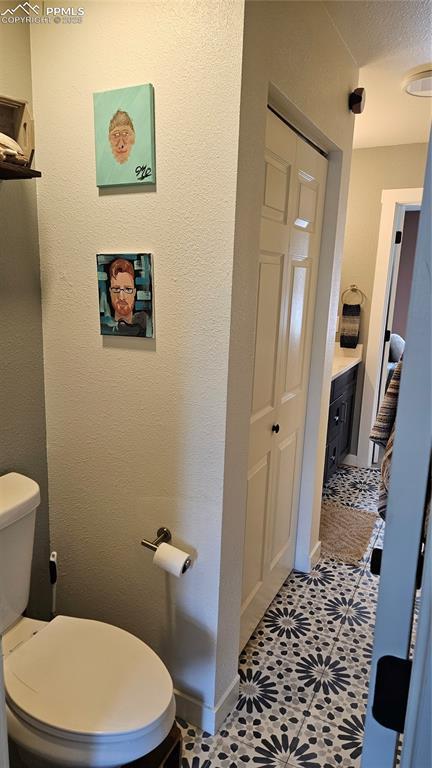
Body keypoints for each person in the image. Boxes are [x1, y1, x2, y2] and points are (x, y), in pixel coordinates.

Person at [105, 258, 148, 336]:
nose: (121, 297)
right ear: (110, 292)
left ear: (134, 292)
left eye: (128, 289)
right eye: (116, 289)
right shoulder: (105, 327)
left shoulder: (145, 326)